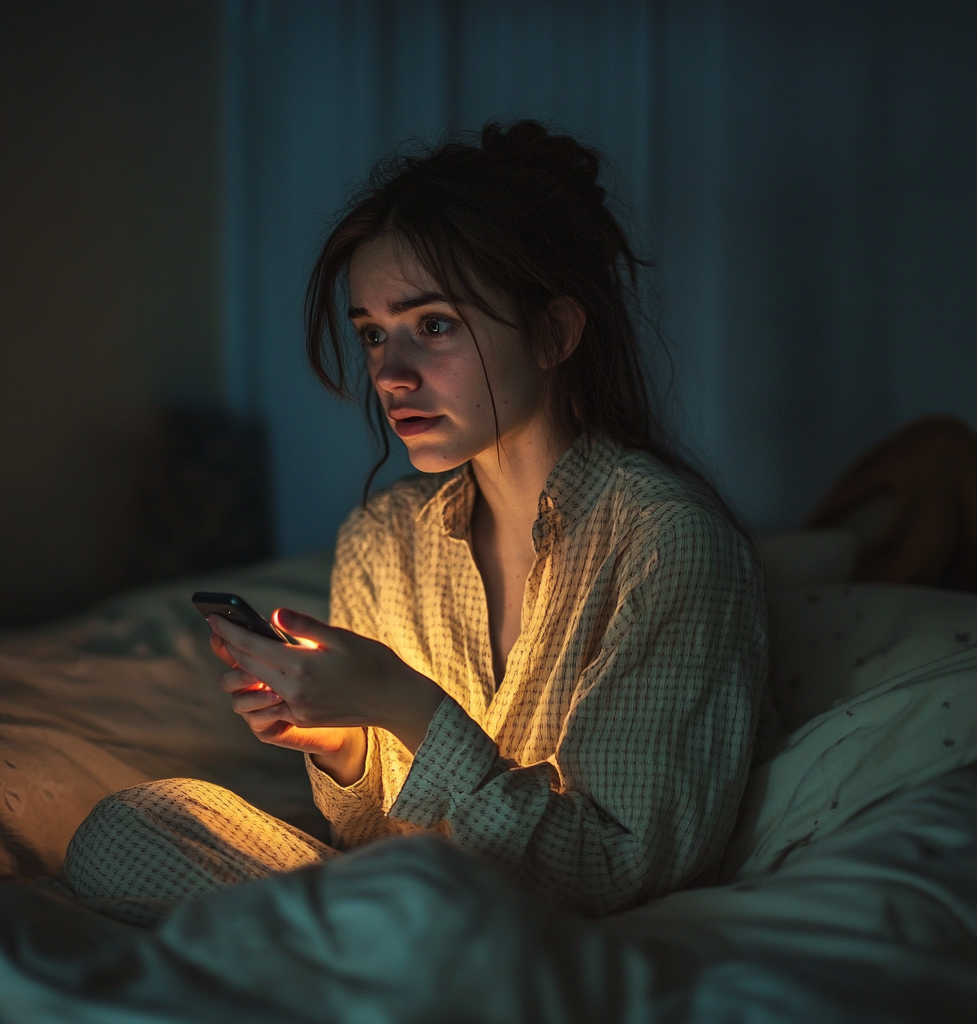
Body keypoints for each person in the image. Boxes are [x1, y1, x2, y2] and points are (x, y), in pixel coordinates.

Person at [56, 121, 768, 926]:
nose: (391, 375)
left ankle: (377, 963)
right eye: (371, 334)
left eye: (433, 324)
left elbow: (616, 870)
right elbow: (366, 837)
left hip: (534, 932)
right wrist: (345, 747)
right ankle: (373, 964)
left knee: (420, 906)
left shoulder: (668, 541)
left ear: (554, 332)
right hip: (399, 911)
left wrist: (406, 706)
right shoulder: (384, 538)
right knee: (135, 823)